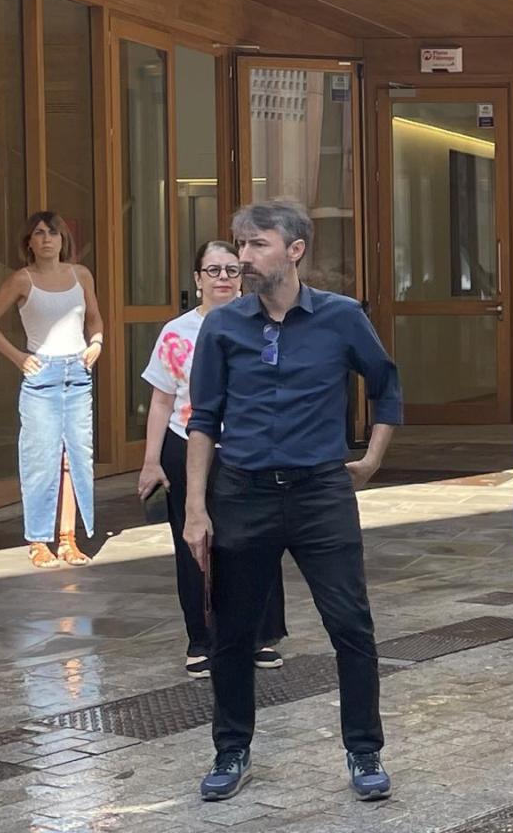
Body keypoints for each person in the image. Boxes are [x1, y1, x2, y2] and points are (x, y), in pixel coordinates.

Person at [181, 201, 403, 803]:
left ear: (295, 250)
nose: (242, 259)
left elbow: (385, 385)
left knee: (351, 626)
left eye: (256, 246)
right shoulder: (223, 327)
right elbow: (203, 420)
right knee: (231, 634)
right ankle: (231, 750)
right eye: (239, 246)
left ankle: (364, 751)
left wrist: (373, 459)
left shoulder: (340, 317)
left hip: (320, 494)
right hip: (242, 493)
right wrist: (196, 509)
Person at [137, 240, 288, 680]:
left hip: (250, 447)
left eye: (232, 270)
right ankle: (202, 639)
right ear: (197, 279)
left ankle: (261, 635)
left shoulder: (266, 322)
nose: (223, 278)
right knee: (195, 544)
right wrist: (151, 461)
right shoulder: (176, 332)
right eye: (213, 270)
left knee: (259, 540)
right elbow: (162, 401)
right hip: (187, 445)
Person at [0, 212, 102, 569]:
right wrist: (18, 358)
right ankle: (38, 540)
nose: (46, 239)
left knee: (75, 459)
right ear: (29, 241)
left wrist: (97, 342)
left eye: (52, 233)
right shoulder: (21, 280)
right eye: (38, 233)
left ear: (62, 239)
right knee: (41, 460)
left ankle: (68, 538)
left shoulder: (80, 274)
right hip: (41, 376)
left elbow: (94, 318)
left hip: (77, 373)